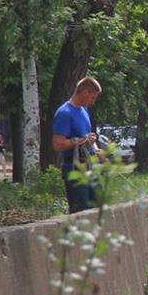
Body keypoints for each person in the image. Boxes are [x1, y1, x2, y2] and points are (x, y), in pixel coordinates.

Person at [52, 77, 102, 213]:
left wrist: (96, 149)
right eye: (92, 97)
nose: (93, 101)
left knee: (97, 207)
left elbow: (87, 135)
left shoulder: (84, 110)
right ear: (84, 92)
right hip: (75, 169)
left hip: (90, 166)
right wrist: (79, 142)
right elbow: (57, 144)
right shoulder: (64, 113)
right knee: (81, 211)